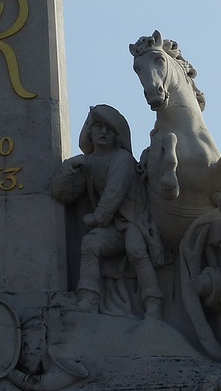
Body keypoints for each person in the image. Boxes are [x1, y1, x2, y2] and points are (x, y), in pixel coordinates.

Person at [52, 105, 165, 319]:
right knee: (91, 244)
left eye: (109, 130)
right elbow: (63, 194)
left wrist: (96, 217)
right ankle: (89, 298)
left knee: (136, 250)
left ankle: (153, 302)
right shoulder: (90, 162)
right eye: (98, 127)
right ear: (90, 132)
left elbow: (114, 193)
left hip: (135, 221)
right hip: (113, 228)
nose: (103, 132)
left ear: (116, 137)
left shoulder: (122, 159)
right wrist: (69, 168)